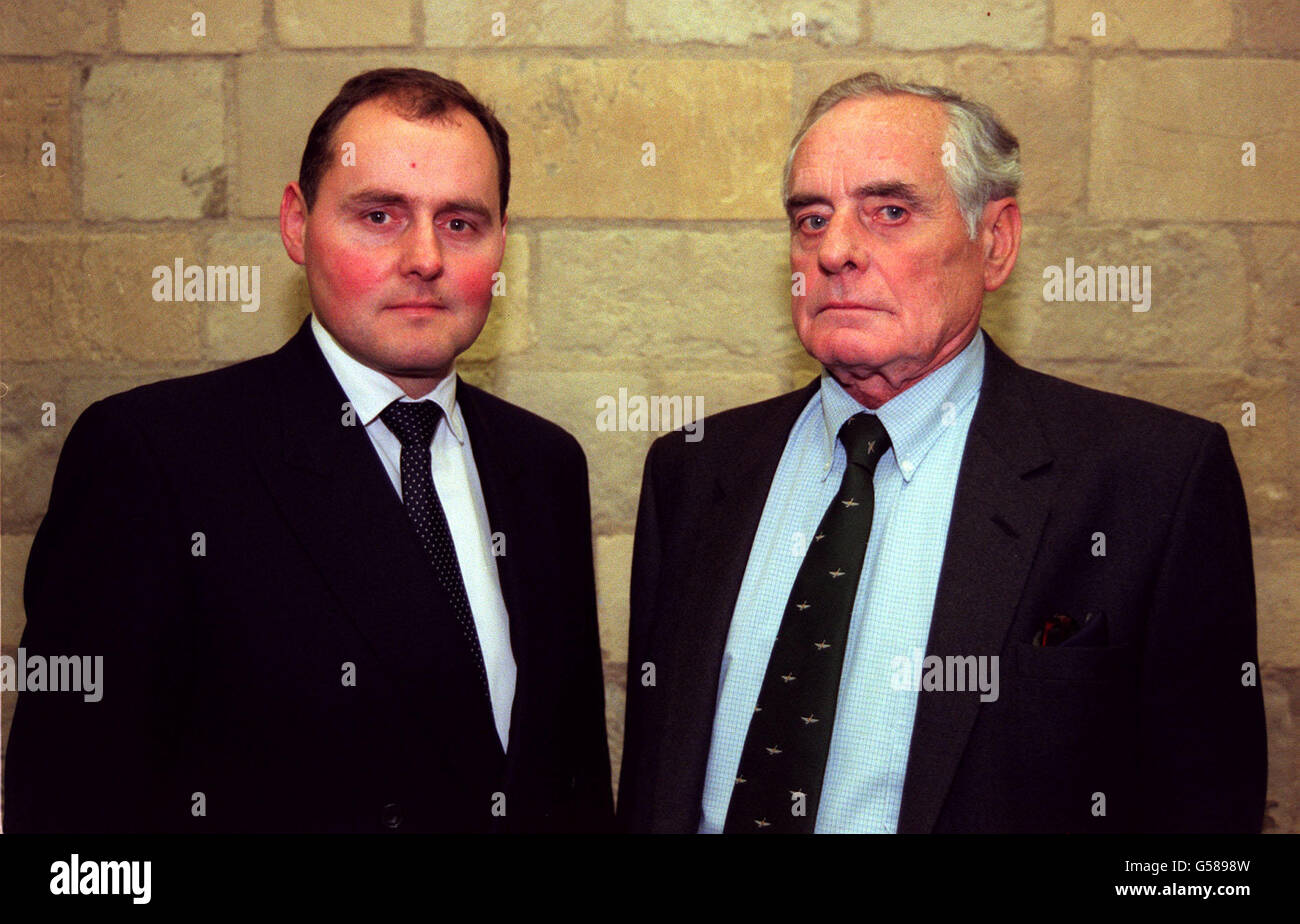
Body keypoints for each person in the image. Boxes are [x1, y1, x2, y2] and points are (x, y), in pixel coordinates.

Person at [618, 72, 1266, 834]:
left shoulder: (1151, 479)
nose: (837, 252)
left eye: (889, 211)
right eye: (811, 218)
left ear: (995, 243)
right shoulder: (695, 471)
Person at [5, 68, 613, 833]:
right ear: (297, 224)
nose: (425, 257)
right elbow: (68, 817)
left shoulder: (545, 466)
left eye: (461, 223)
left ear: (500, 248)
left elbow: (571, 784)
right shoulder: (155, 458)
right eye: (380, 215)